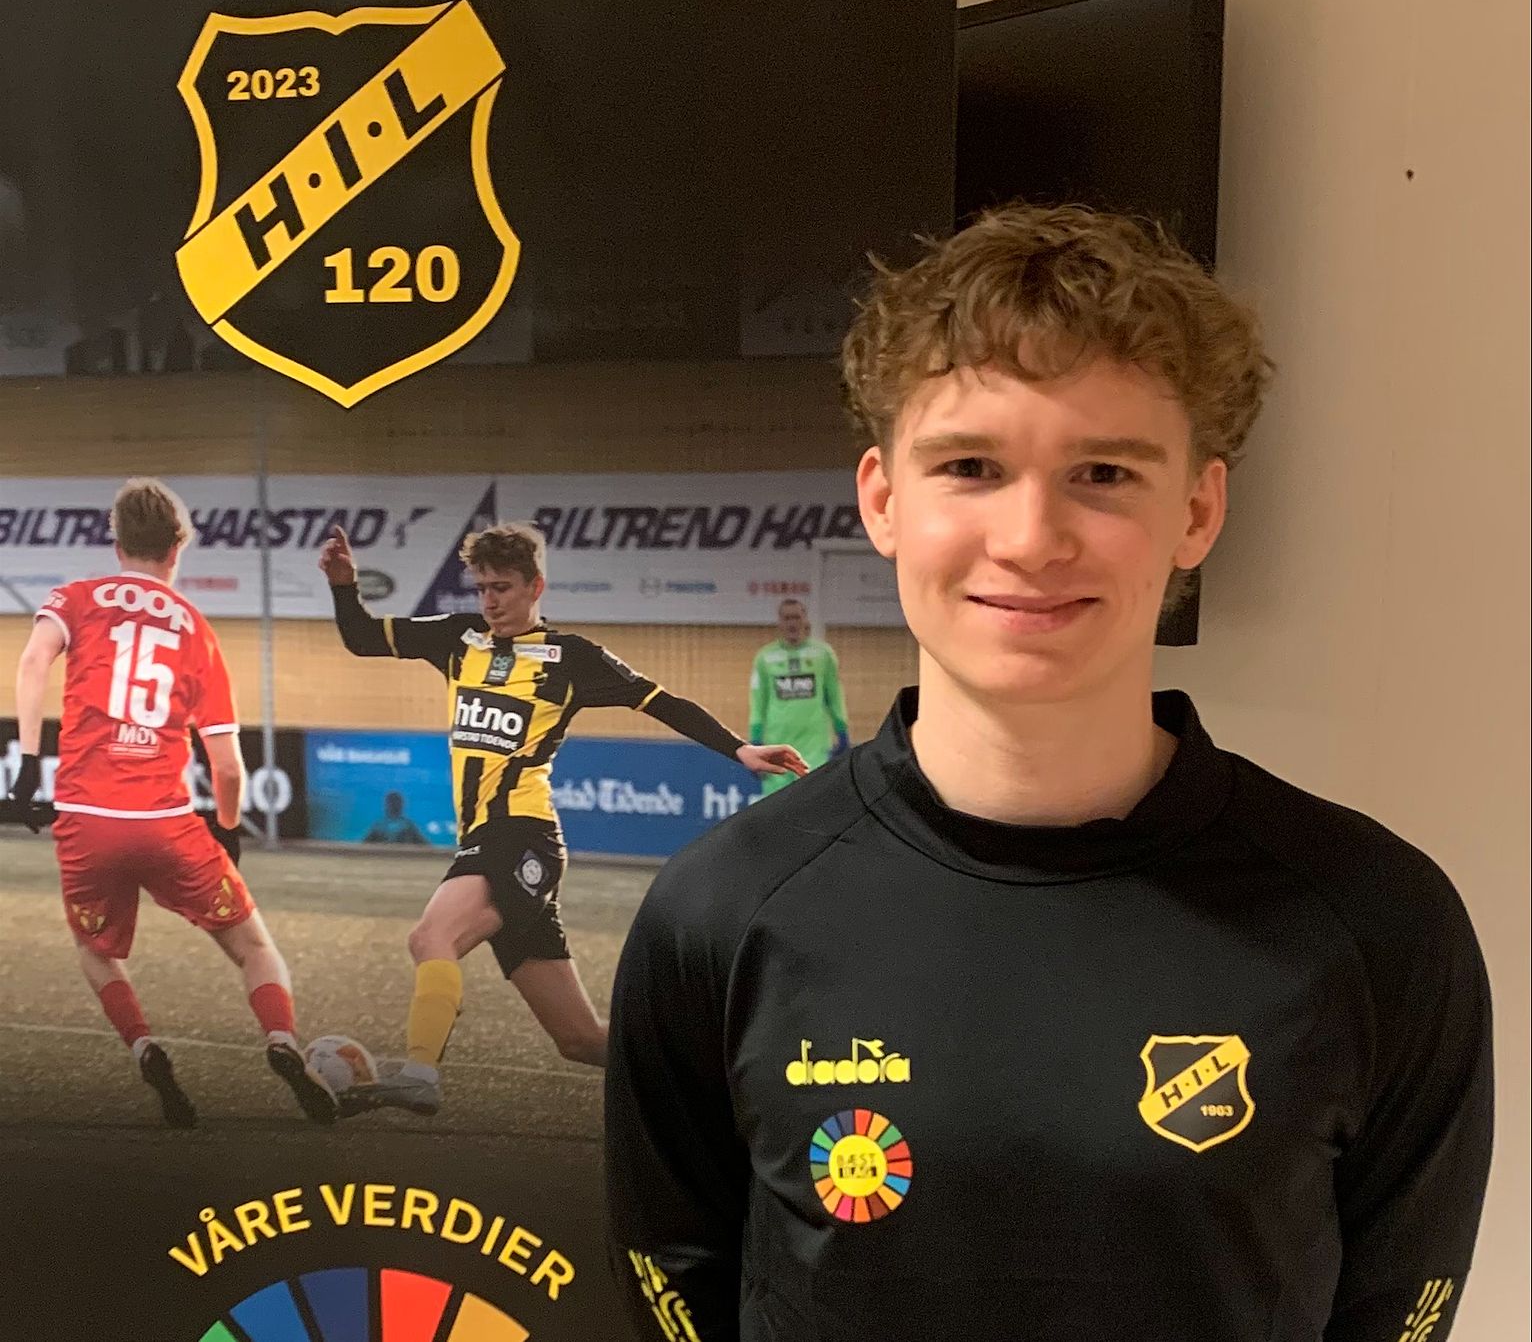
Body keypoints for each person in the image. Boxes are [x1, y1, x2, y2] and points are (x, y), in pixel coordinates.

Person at [604, 202, 1493, 1341]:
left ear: (1197, 510)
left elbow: (1396, 1306)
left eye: (1103, 472)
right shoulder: (721, 912)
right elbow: (672, 1275)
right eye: (970, 466)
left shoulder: (1377, 920)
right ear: (883, 500)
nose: (1029, 538)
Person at [320, 520, 806, 1117]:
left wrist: (740, 750)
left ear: (535, 586)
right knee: (580, 1040)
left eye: (502, 587)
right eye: (482, 588)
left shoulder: (571, 658)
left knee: (430, 937)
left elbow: (660, 701)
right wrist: (343, 586)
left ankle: (420, 1072)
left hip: (522, 836)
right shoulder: (458, 639)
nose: (490, 601)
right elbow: (362, 638)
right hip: (489, 841)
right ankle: (727, 1079)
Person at [5, 478, 338, 1128]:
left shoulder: (76, 598)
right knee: (254, 947)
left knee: (96, 949)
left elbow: (32, 663)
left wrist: (27, 767)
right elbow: (228, 767)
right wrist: (229, 830)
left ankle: (144, 1046)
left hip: (87, 821)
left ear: (117, 541)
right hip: (165, 822)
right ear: (178, 547)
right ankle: (281, 1041)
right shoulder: (195, 629)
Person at [748, 598, 849, 794]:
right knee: (776, 805)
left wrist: (842, 730)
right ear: (780, 622)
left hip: (814, 747)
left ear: (805, 620)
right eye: (787, 618)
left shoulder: (823, 654)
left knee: (812, 802)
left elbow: (834, 696)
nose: (792, 623)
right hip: (777, 745)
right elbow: (758, 701)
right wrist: (756, 739)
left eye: (796, 617)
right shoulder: (765, 658)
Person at [362, 790, 430, 846]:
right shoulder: (379, 825)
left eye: (396, 802)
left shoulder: (409, 825)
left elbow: (426, 845)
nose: (394, 804)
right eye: (391, 802)